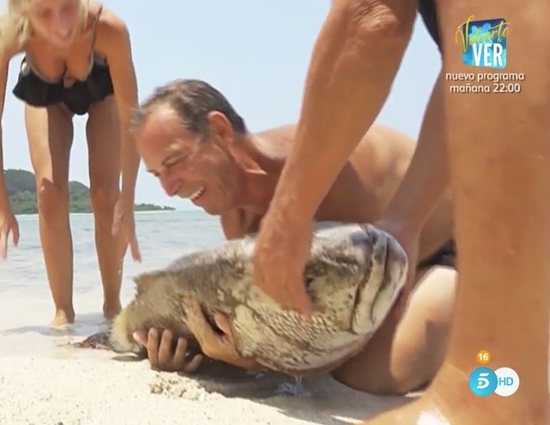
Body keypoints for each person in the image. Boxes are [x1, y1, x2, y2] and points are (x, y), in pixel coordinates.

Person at [250, 0, 549, 423]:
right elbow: (478, 63)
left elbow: (370, 16)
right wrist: (404, 221)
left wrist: (288, 216)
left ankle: (491, 398)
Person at [128, 78, 457, 395]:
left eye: (174, 162)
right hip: (380, 285)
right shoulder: (236, 214)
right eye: (158, 174)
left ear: (219, 131)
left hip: (450, 253)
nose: (168, 189)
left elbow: (341, 335)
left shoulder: (329, 170)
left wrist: (262, 360)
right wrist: (206, 351)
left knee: (375, 375)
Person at [0, 0, 142, 326]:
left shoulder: (109, 29)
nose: (61, 24)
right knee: (50, 193)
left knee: (107, 195)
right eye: (45, 13)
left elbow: (131, 118)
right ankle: (63, 312)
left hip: (103, 93)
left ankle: (111, 306)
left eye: (68, 7)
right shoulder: (1, 34)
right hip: (45, 94)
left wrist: (129, 201)